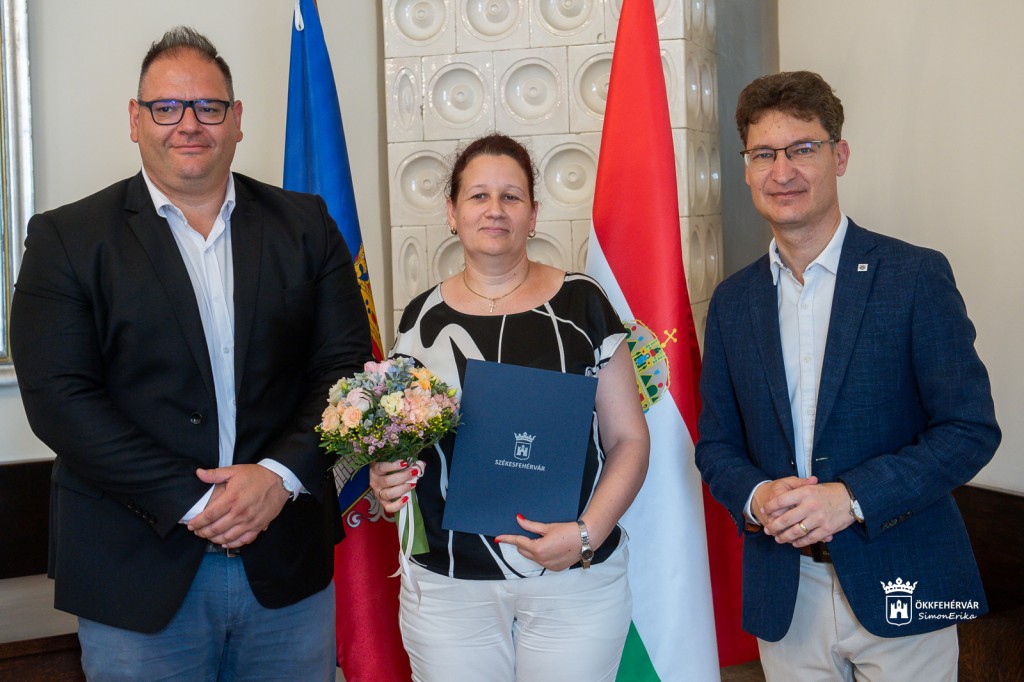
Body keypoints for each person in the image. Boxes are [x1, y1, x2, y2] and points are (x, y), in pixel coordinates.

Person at [10, 27, 371, 680]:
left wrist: (280, 475)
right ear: (135, 120)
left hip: (285, 562)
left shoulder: (307, 225)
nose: (188, 124)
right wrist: (194, 500)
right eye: (166, 107)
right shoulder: (68, 238)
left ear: (236, 120)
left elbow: (342, 370)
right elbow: (60, 399)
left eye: (208, 106)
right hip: (134, 571)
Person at [695, 70, 1000, 680]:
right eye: (764, 154)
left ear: (839, 156)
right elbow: (717, 445)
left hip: (904, 577)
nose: (782, 171)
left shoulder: (914, 276)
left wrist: (851, 499)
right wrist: (756, 496)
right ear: (747, 170)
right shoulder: (732, 301)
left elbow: (969, 430)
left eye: (802, 148)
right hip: (785, 591)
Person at [370, 134, 649, 681]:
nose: (494, 209)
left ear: (533, 214)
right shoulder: (419, 318)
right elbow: (402, 444)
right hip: (448, 583)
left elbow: (629, 440)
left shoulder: (583, 303)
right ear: (452, 212)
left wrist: (587, 534)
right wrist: (387, 476)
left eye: (511, 196)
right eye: (478, 196)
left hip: (573, 577)